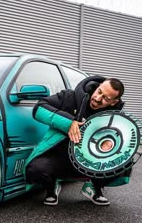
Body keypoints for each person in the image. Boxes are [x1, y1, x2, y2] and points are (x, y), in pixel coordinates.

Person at [25, 75, 131, 206]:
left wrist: (109, 145)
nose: (98, 99)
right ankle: (52, 186)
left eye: (105, 98)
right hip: (58, 157)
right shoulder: (69, 96)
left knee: (124, 161)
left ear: (114, 102)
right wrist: (67, 122)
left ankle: (93, 187)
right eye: (99, 92)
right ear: (97, 86)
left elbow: (120, 144)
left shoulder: (114, 118)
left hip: (88, 163)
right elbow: (38, 108)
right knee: (35, 169)